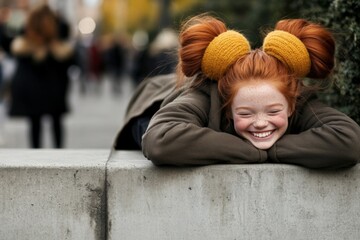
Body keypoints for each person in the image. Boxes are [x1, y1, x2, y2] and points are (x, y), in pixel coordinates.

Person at [114, 14, 360, 169]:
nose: (261, 123)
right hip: (155, 108)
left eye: (274, 111)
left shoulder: (296, 96)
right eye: (246, 113)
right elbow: (161, 142)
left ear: (291, 103)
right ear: (227, 106)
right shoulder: (202, 95)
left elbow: (349, 142)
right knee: (145, 130)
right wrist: (254, 153)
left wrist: (271, 150)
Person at [8, 5, 74, 148]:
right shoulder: (57, 25)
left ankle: (37, 152)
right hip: (52, 80)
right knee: (53, 120)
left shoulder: (29, 29)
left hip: (38, 81)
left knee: (36, 121)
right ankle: (58, 151)